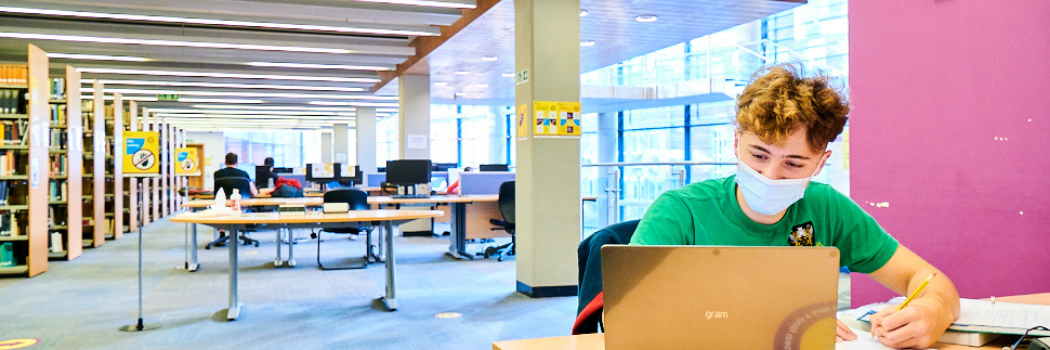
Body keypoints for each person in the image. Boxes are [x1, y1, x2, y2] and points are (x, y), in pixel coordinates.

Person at [629, 65, 960, 349]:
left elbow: (930, 280)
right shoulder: (680, 212)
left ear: (820, 162)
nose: (770, 176)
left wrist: (934, 310)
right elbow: (631, 316)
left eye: (795, 163)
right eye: (758, 155)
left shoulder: (827, 208)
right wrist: (772, 324)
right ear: (735, 142)